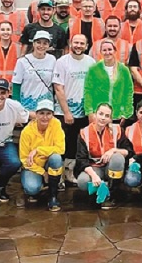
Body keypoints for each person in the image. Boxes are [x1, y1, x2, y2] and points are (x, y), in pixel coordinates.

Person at [53, 34, 95, 186]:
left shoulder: (91, 62)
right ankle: (58, 176)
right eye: (76, 42)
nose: (78, 46)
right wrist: (66, 112)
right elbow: (58, 88)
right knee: (62, 144)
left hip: (83, 112)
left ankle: (69, 173)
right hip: (64, 112)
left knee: (75, 145)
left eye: (82, 43)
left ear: (87, 45)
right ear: (70, 44)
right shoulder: (62, 62)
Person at [74, 103, 133, 209]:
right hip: (94, 167)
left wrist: (113, 150)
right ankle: (98, 191)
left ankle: (111, 194)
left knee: (118, 157)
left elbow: (129, 151)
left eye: (107, 116)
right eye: (100, 114)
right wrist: (93, 175)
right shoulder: (84, 132)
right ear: (95, 114)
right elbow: (81, 159)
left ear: (110, 119)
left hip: (111, 166)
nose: (103, 118)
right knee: (83, 181)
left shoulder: (117, 130)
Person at [18, 99, 65, 211]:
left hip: (49, 162)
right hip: (33, 166)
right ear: (36, 114)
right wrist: (43, 173)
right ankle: (44, 182)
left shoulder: (56, 124)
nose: (45, 117)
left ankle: (53, 195)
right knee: (32, 189)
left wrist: (38, 150)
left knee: (56, 158)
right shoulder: (26, 131)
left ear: (53, 114)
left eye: (48, 113)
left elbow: (60, 149)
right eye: (41, 113)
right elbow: (24, 159)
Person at [84, 39, 134, 123]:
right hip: (99, 115)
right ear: (100, 52)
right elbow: (88, 91)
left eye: (110, 49)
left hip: (117, 114)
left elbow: (128, 91)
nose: (107, 52)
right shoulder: (93, 69)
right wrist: (90, 112)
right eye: (104, 50)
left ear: (115, 51)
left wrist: (126, 113)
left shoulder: (123, 70)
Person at [12, 30, 57, 113]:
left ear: (48, 45)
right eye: (38, 42)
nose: (41, 46)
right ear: (33, 43)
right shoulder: (22, 61)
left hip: (46, 108)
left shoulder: (52, 59)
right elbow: (16, 86)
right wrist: (17, 109)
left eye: (45, 43)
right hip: (27, 107)